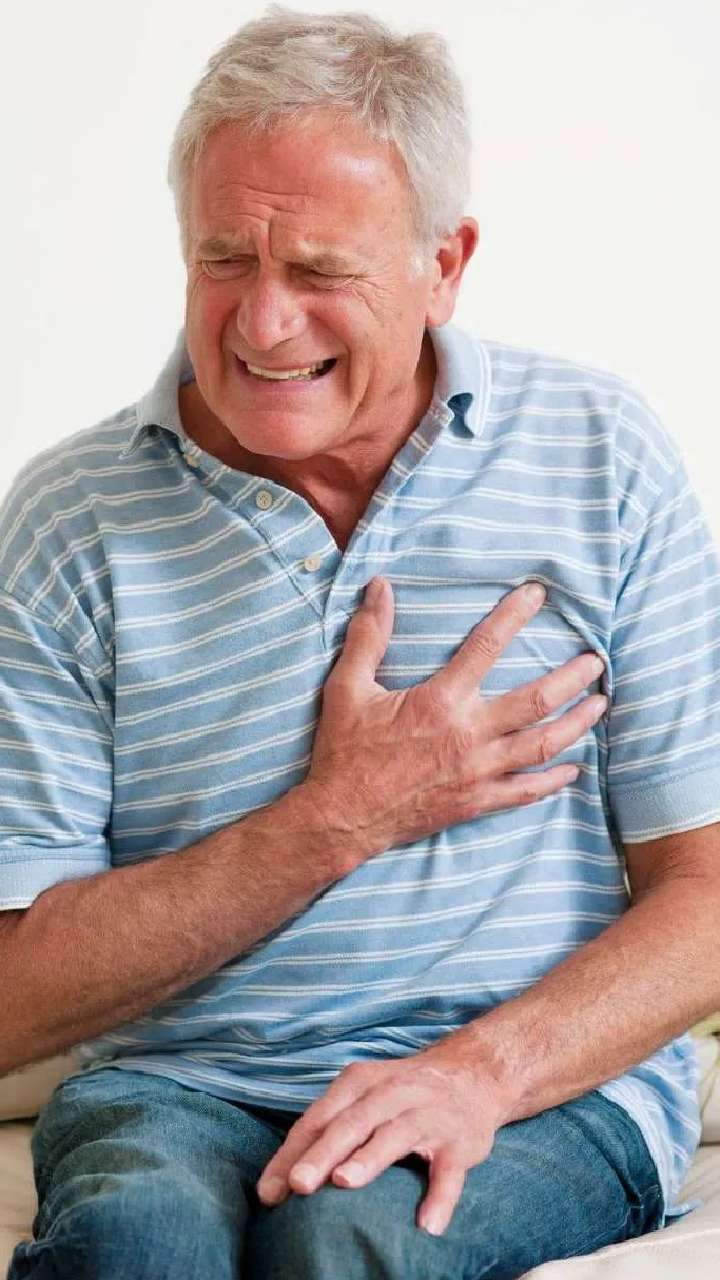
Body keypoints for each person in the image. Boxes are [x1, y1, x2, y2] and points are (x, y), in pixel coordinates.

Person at [2, 6, 720, 1278]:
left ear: (445, 263)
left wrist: (479, 1071)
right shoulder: (72, 518)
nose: (262, 323)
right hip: (179, 1086)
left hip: (532, 1084)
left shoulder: (600, 451)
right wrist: (341, 816)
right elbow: (15, 996)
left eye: (320, 270)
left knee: (344, 1237)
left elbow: (706, 891)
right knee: (132, 1246)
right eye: (225, 258)